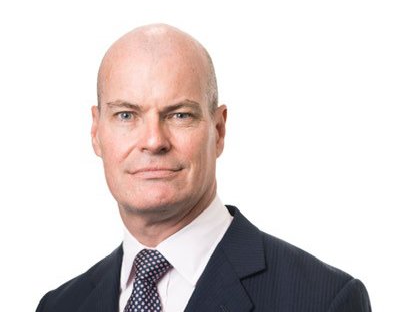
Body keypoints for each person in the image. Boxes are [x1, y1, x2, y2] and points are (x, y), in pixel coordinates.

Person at [36, 23, 371, 312]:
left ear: (219, 129)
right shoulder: (61, 305)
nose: (153, 141)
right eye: (126, 115)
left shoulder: (323, 300)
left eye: (180, 115)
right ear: (96, 133)